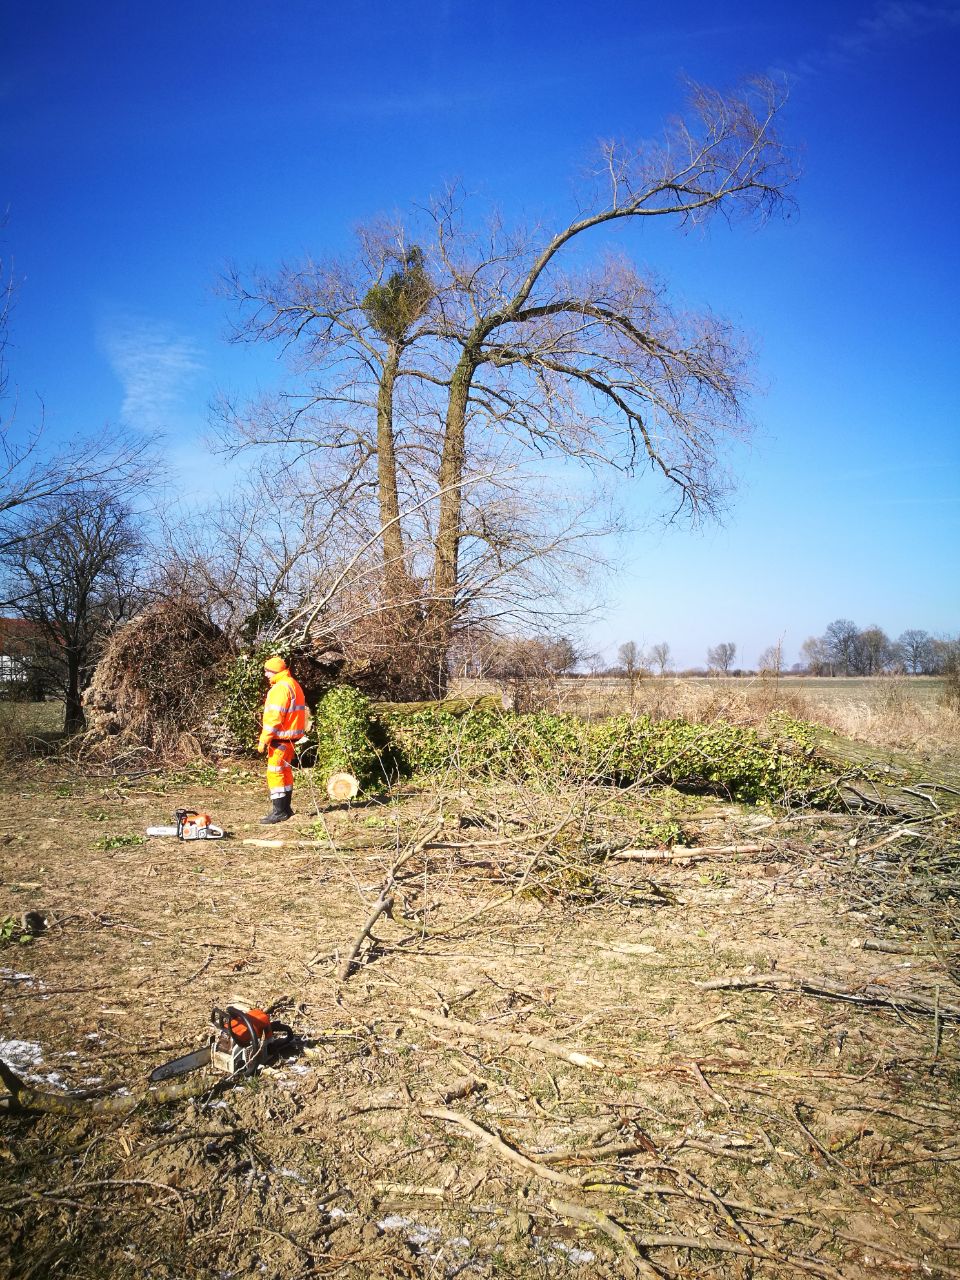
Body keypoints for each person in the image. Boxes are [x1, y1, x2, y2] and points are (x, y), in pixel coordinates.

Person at [257, 655, 308, 824]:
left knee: (275, 772)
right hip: (291, 739)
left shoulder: (280, 688)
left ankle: (279, 812)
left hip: (280, 739)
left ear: (274, 671)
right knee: (285, 771)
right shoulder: (293, 684)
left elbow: (274, 718)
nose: (265, 675)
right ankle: (286, 809)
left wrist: (264, 739)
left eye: (267, 671)